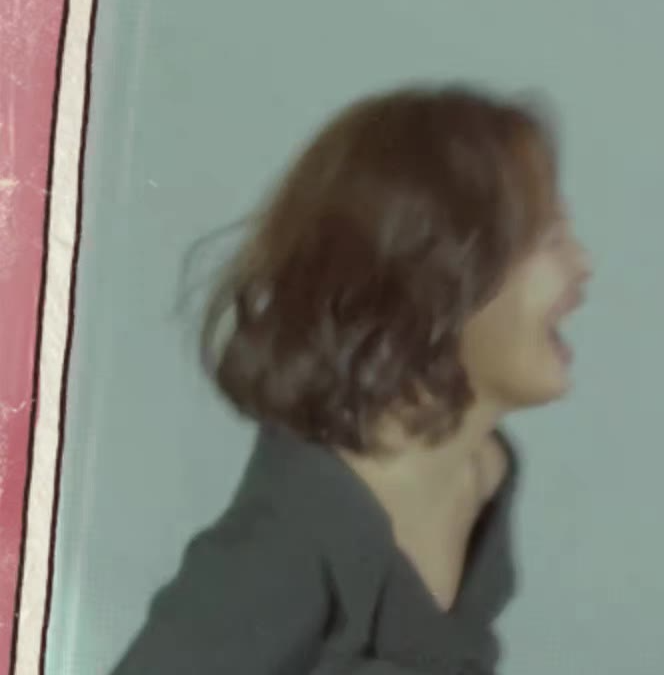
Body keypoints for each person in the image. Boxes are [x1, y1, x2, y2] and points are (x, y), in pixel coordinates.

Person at [110, 84, 591, 675]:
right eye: (550, 238)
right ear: (438, 279)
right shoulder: (292, 539)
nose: (583, 265)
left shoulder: (485, 471)